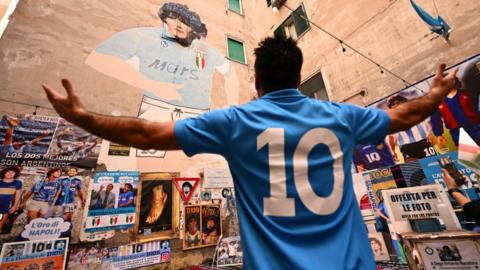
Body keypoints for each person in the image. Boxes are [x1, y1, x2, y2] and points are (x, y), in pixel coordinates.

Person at [42, 36, 457, 269]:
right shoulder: (342, 117)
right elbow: (403, 117)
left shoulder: (234, 123)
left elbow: (147, 134)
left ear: (256, 78)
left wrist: (83, 118)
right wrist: (436, 95)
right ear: (298, 76)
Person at [386, 94, 439, 162]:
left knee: (433, 166)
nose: (394, 106)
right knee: (415, 170)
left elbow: (431, 121)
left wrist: (431, 133)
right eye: (391, 105)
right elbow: (391, 137)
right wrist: (393, 151)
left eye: (397, 103)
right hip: (407, 147)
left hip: (424, 143)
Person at [0, 167, 22, 232]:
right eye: (8, 172)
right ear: (4, 173)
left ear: (15, 174)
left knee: (1, 224)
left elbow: (18, 195)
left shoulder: (17, 183)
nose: (10, 173)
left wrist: (15, 206)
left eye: (12, 172)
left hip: (6, 207)